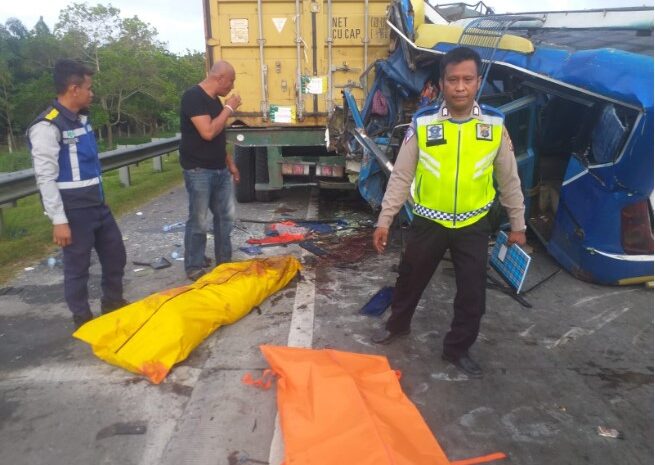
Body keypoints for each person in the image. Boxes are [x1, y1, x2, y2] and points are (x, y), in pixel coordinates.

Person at [371, 47, 526, 378]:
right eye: (452, 80)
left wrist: (518, 225)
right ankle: (397, 326)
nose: (459, 87)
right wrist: (385, 220)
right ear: (441, 83)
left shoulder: (494, 126)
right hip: (428, 221)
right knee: (410, 279)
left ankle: (457, 349)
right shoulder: (424, 123)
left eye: (467, 79)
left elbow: (509, 179)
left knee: (473, 295)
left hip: (473, 224)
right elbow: (401, 175)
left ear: (478, 82)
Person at [28, 59, 128, 329]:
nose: (91, 93)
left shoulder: (81, 119)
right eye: (88, 87)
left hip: (96, 203)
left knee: (115, 254)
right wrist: (58, 220)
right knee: (78, 268)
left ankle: (113, 305)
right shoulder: (47, 126)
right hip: (73, 209)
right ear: (74, 89)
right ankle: (82, 320)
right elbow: (45, 177)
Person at [179, 60, 242, 281]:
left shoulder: (215, 101)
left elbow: (218, 138)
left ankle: (224, 262)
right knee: (199, 220)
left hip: (219, 170)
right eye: (231, 81)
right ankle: (194, 265)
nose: (232, 86)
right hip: (199, 171)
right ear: (219, 78)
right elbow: (208, 131)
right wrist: (229, 108)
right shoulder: (193, 97)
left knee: (225, 219)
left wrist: (230, 164)